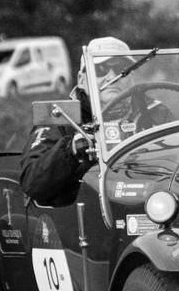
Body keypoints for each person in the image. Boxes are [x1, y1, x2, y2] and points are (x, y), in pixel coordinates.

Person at [19, 36, 129, 206]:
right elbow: (32, 182)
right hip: (85, 212)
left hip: (152, 208)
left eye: (123, 70)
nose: (112, 76)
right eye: (101, 70)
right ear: (82, 80)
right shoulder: (59, 117)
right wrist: (71, 149)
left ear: (131, 78)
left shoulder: (153, 113)